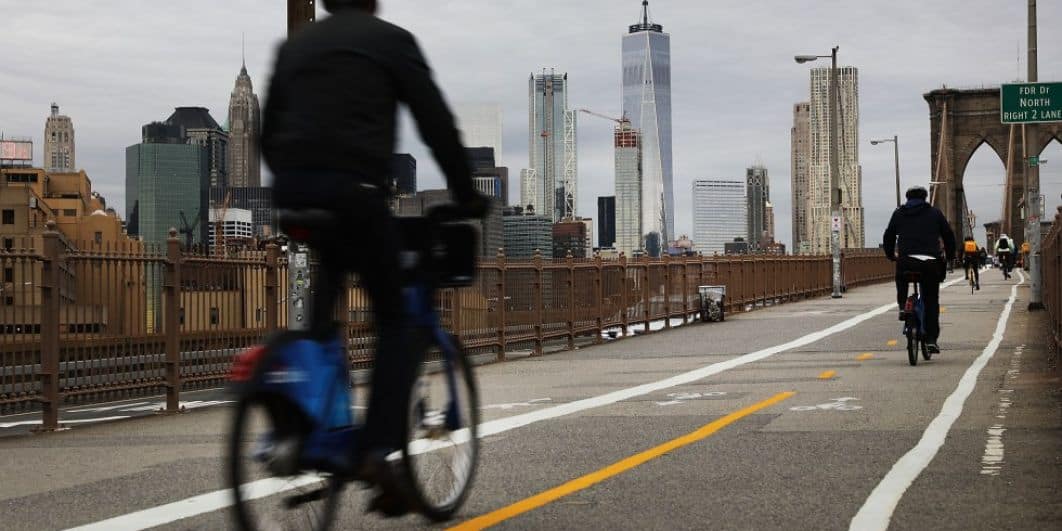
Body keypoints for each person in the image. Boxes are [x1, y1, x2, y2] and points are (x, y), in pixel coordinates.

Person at [261, 0, 488, 516]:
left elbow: (268, 131)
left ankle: (306, 422)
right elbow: (435, 122)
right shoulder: (391, 41)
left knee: (322, 315)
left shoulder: (297, 45)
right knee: (396, 320)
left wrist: (300, 180)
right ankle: (375, 452)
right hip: (356, 195)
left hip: (294, 195)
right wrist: (465, 191)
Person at [883, 186, 956, 354]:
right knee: (931, 300)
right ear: (925, 198)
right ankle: (931, 340)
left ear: (907, 198)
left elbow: (888, 236)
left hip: (907, 261)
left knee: (901, 276)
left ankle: (902, 305)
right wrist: (950, 256)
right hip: (930, 263)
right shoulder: (935, 213)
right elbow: (948, 235)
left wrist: (891, 255)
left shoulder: (899, 213)